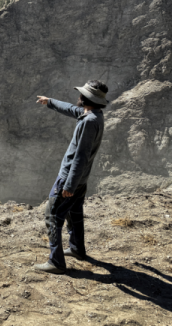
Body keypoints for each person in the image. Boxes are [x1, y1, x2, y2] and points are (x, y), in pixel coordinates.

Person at [34, 80, 109, 274]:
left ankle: (56, 262)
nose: (79, 96)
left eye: (82, 94)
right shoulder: (94, 115)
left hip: (69, 179)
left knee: (52, 215)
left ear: (86, 98)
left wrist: (69, 185)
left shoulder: (90, 122)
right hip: (80, 180)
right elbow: (71, 109)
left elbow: (80, 156)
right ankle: (76, 248)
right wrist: (49, 101)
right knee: (74, 214)